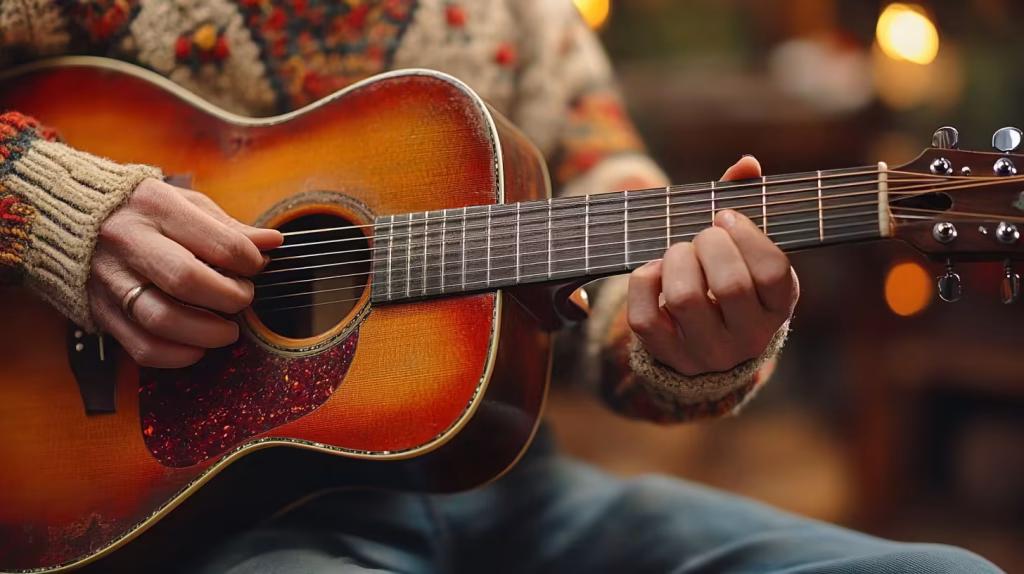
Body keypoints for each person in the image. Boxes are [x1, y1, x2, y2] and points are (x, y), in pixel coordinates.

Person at [0, 1, 1002, 572]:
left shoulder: (528, 16)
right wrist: (65, 214)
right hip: (214, 524)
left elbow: (610, 199)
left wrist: (686, 337)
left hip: (507, 486)